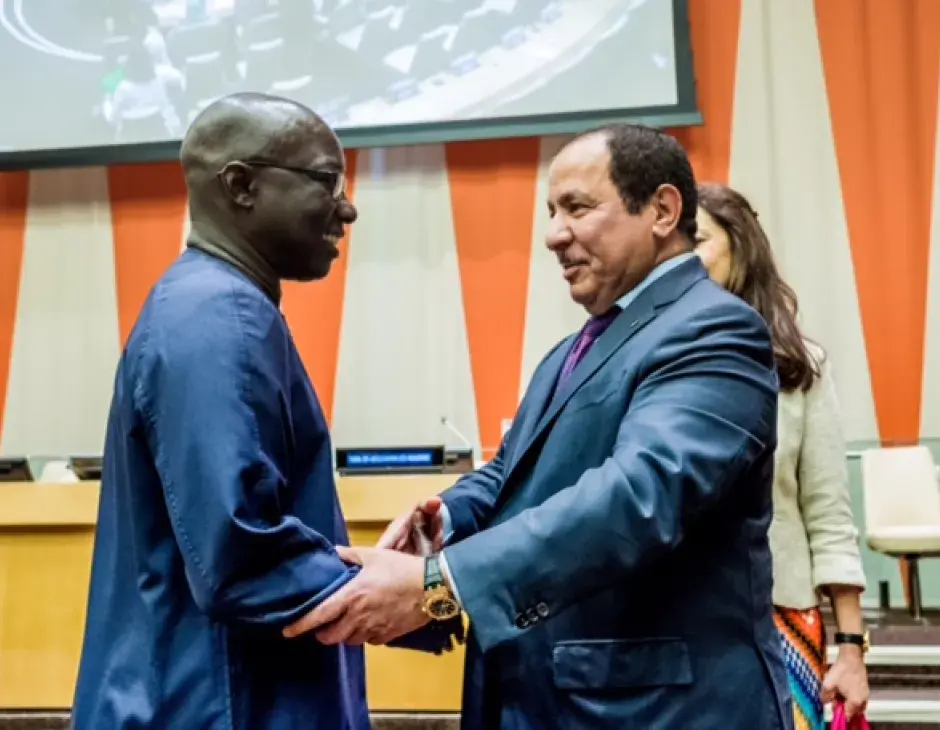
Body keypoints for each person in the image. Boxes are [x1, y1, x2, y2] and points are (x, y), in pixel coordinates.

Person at [282, 125, 795, 729]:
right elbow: (513, 470)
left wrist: (437, 583)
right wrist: (446, 519)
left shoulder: (713, 330)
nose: (554, 235)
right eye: (552, 212)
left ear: (661, 210)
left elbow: (640, 497)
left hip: (655, 709)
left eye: (577, 208)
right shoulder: (576, 346)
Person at [71, 92, 369, 730]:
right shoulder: (216, 317)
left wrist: (371, 565)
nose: (347, 207)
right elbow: (238, 553)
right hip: (214, 704)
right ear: (241, 185)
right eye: (326, 181)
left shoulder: (214, 306)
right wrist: (419, 592)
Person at [695, 182, 870, 728]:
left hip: (780, 618)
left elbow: (829, 515)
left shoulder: (799, 367)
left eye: (696, 240)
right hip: (675, 625)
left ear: (740, 249)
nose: (679, 257)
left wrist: (851, 647)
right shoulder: (643, 362)